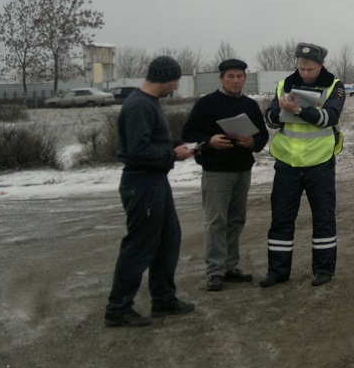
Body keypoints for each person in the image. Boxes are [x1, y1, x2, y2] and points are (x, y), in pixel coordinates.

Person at [104, 55, 197, 328]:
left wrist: (180, 145)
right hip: (141, 183)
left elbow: (151, 142)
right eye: (176, 80)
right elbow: (139, 151)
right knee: (139, 246)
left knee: (169, 239)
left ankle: (164, 299)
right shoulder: (139, 106)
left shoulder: (149, 103)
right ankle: (118, 308)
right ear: (167, 78)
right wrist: (173, 155)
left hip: (155, 182)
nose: (177, 87)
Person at [260, 42, 345, 288]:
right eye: (301, 68)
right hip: (287, 163)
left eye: (310, 69)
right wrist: (279, 113)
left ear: (320, 65)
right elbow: (270, 118)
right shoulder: (285, 85)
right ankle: (276, 271)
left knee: (323, 219)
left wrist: (298, 110)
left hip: (319, 164)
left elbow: (329, 118)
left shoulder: (333, 86)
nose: (305, 73)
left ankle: (323, 270)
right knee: (281, 219)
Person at [181, 58, 270, 292]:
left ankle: (231, 266)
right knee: (216, 220)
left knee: (236, 220)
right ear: (221, 78)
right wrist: (208, 142)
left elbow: (262, 137)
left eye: (240, 76)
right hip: (216, 171)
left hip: (242, 169)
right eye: (230, 76)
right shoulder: (206, 104)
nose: (235, 80)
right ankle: (215, 271)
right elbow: (188, 133)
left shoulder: (250, 105)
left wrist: (252, 142)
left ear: (245, 79)